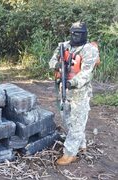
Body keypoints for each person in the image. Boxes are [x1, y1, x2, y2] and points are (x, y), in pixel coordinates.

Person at [49, 21, 99, 165]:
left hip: (79, 92)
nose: (75, 36)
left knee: (77, 122)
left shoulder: (89, 50)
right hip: (63, 89)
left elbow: (86, 73)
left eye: (79, 33)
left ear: (85, 34)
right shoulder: (63, 46)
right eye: (73, 33)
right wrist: (57, 65)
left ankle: (70, 153)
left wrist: (72, 83)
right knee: (67, 120)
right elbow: (51, 61)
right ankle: (81, 145)